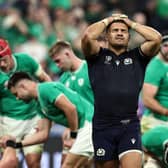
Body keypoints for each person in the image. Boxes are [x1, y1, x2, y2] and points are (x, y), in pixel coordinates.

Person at [81, 13, 161, 168]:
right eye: (115, 30)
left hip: (129, 124)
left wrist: (131, 23)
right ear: (107, 36)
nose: (119, 33)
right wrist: (107, 20)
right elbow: (88, 36)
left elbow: (156, 38)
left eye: (123, 31)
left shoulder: (138, 57)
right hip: (103, 126)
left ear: (128, 37)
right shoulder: (96, 56)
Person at [6, 71, 94, 168]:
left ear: (23, 86)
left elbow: (70, 108)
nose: (17, 98)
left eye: (16, 94)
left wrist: (73, 136)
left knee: (68, 165)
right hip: (86, 128)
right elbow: (43, 134)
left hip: (89, 124)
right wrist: (16, 144)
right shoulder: (38, 104)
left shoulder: (45, 89)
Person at [0, 38, 51, 168]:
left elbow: (45, 80)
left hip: (33, 119)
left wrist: (49, 106)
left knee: (34, 163)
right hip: (8, 124)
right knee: (11, 164)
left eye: (3, 60)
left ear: (10, 54)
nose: (2, 65)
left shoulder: (26, 60)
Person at [49, 40, 94, 166]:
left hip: (95, 125)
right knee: (65, 161)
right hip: (76, 129)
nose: (57, 66)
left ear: (67, 54)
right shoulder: (63, 80)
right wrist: (70, 128)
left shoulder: (91, 69)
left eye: (58, 61)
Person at [141, 34, 168, 167]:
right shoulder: (155, 67)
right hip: (156, 122)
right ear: (159, 47)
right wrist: (166, 111)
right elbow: (147, 99)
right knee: (154, 161)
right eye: (165, 45)